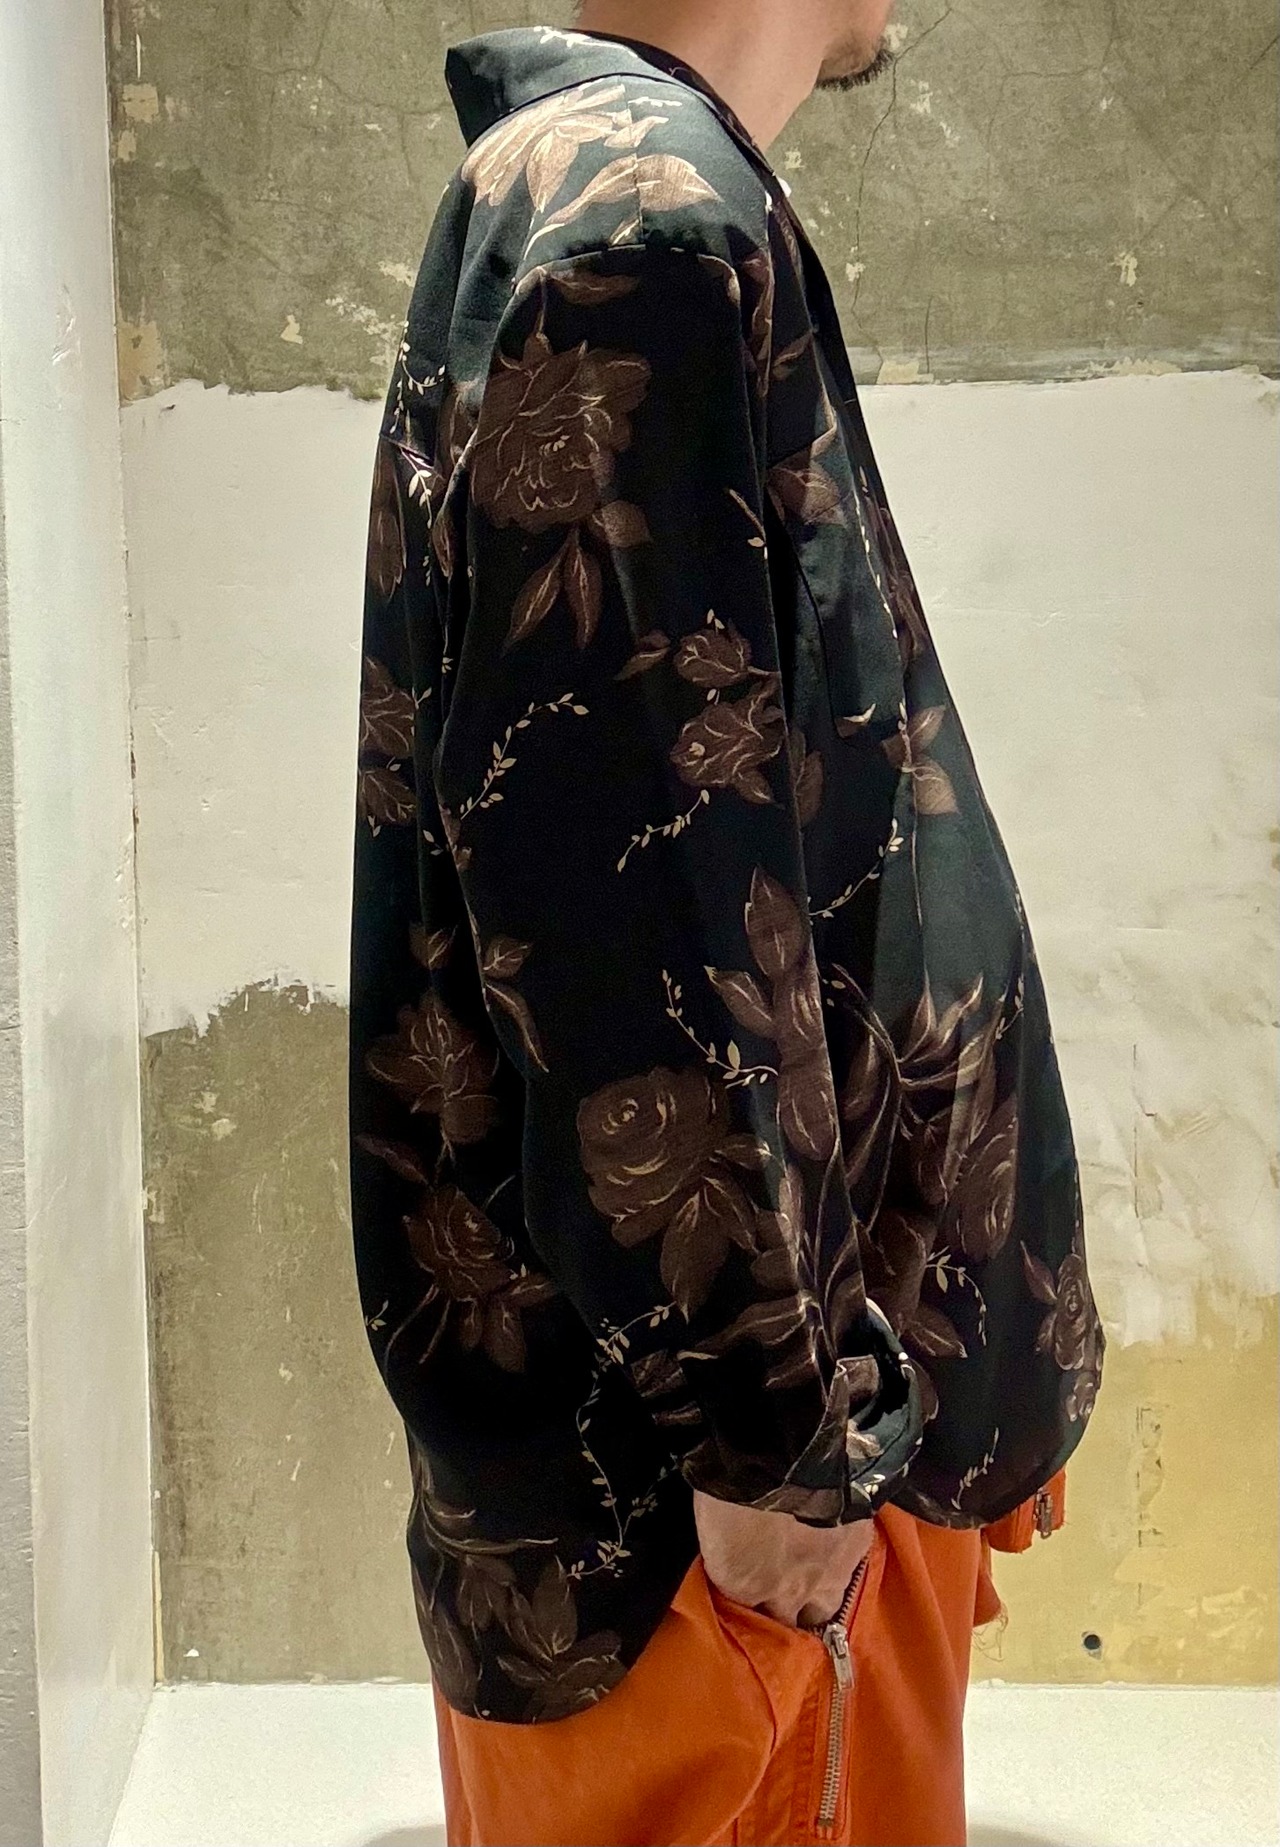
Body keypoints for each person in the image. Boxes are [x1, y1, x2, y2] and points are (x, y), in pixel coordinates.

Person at [347, 4, 1105, 1842]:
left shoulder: (588, 187)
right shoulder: (651, 225)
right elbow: (634, 890)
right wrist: (773, 1434)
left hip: (709, 1428)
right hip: (727, 1491)